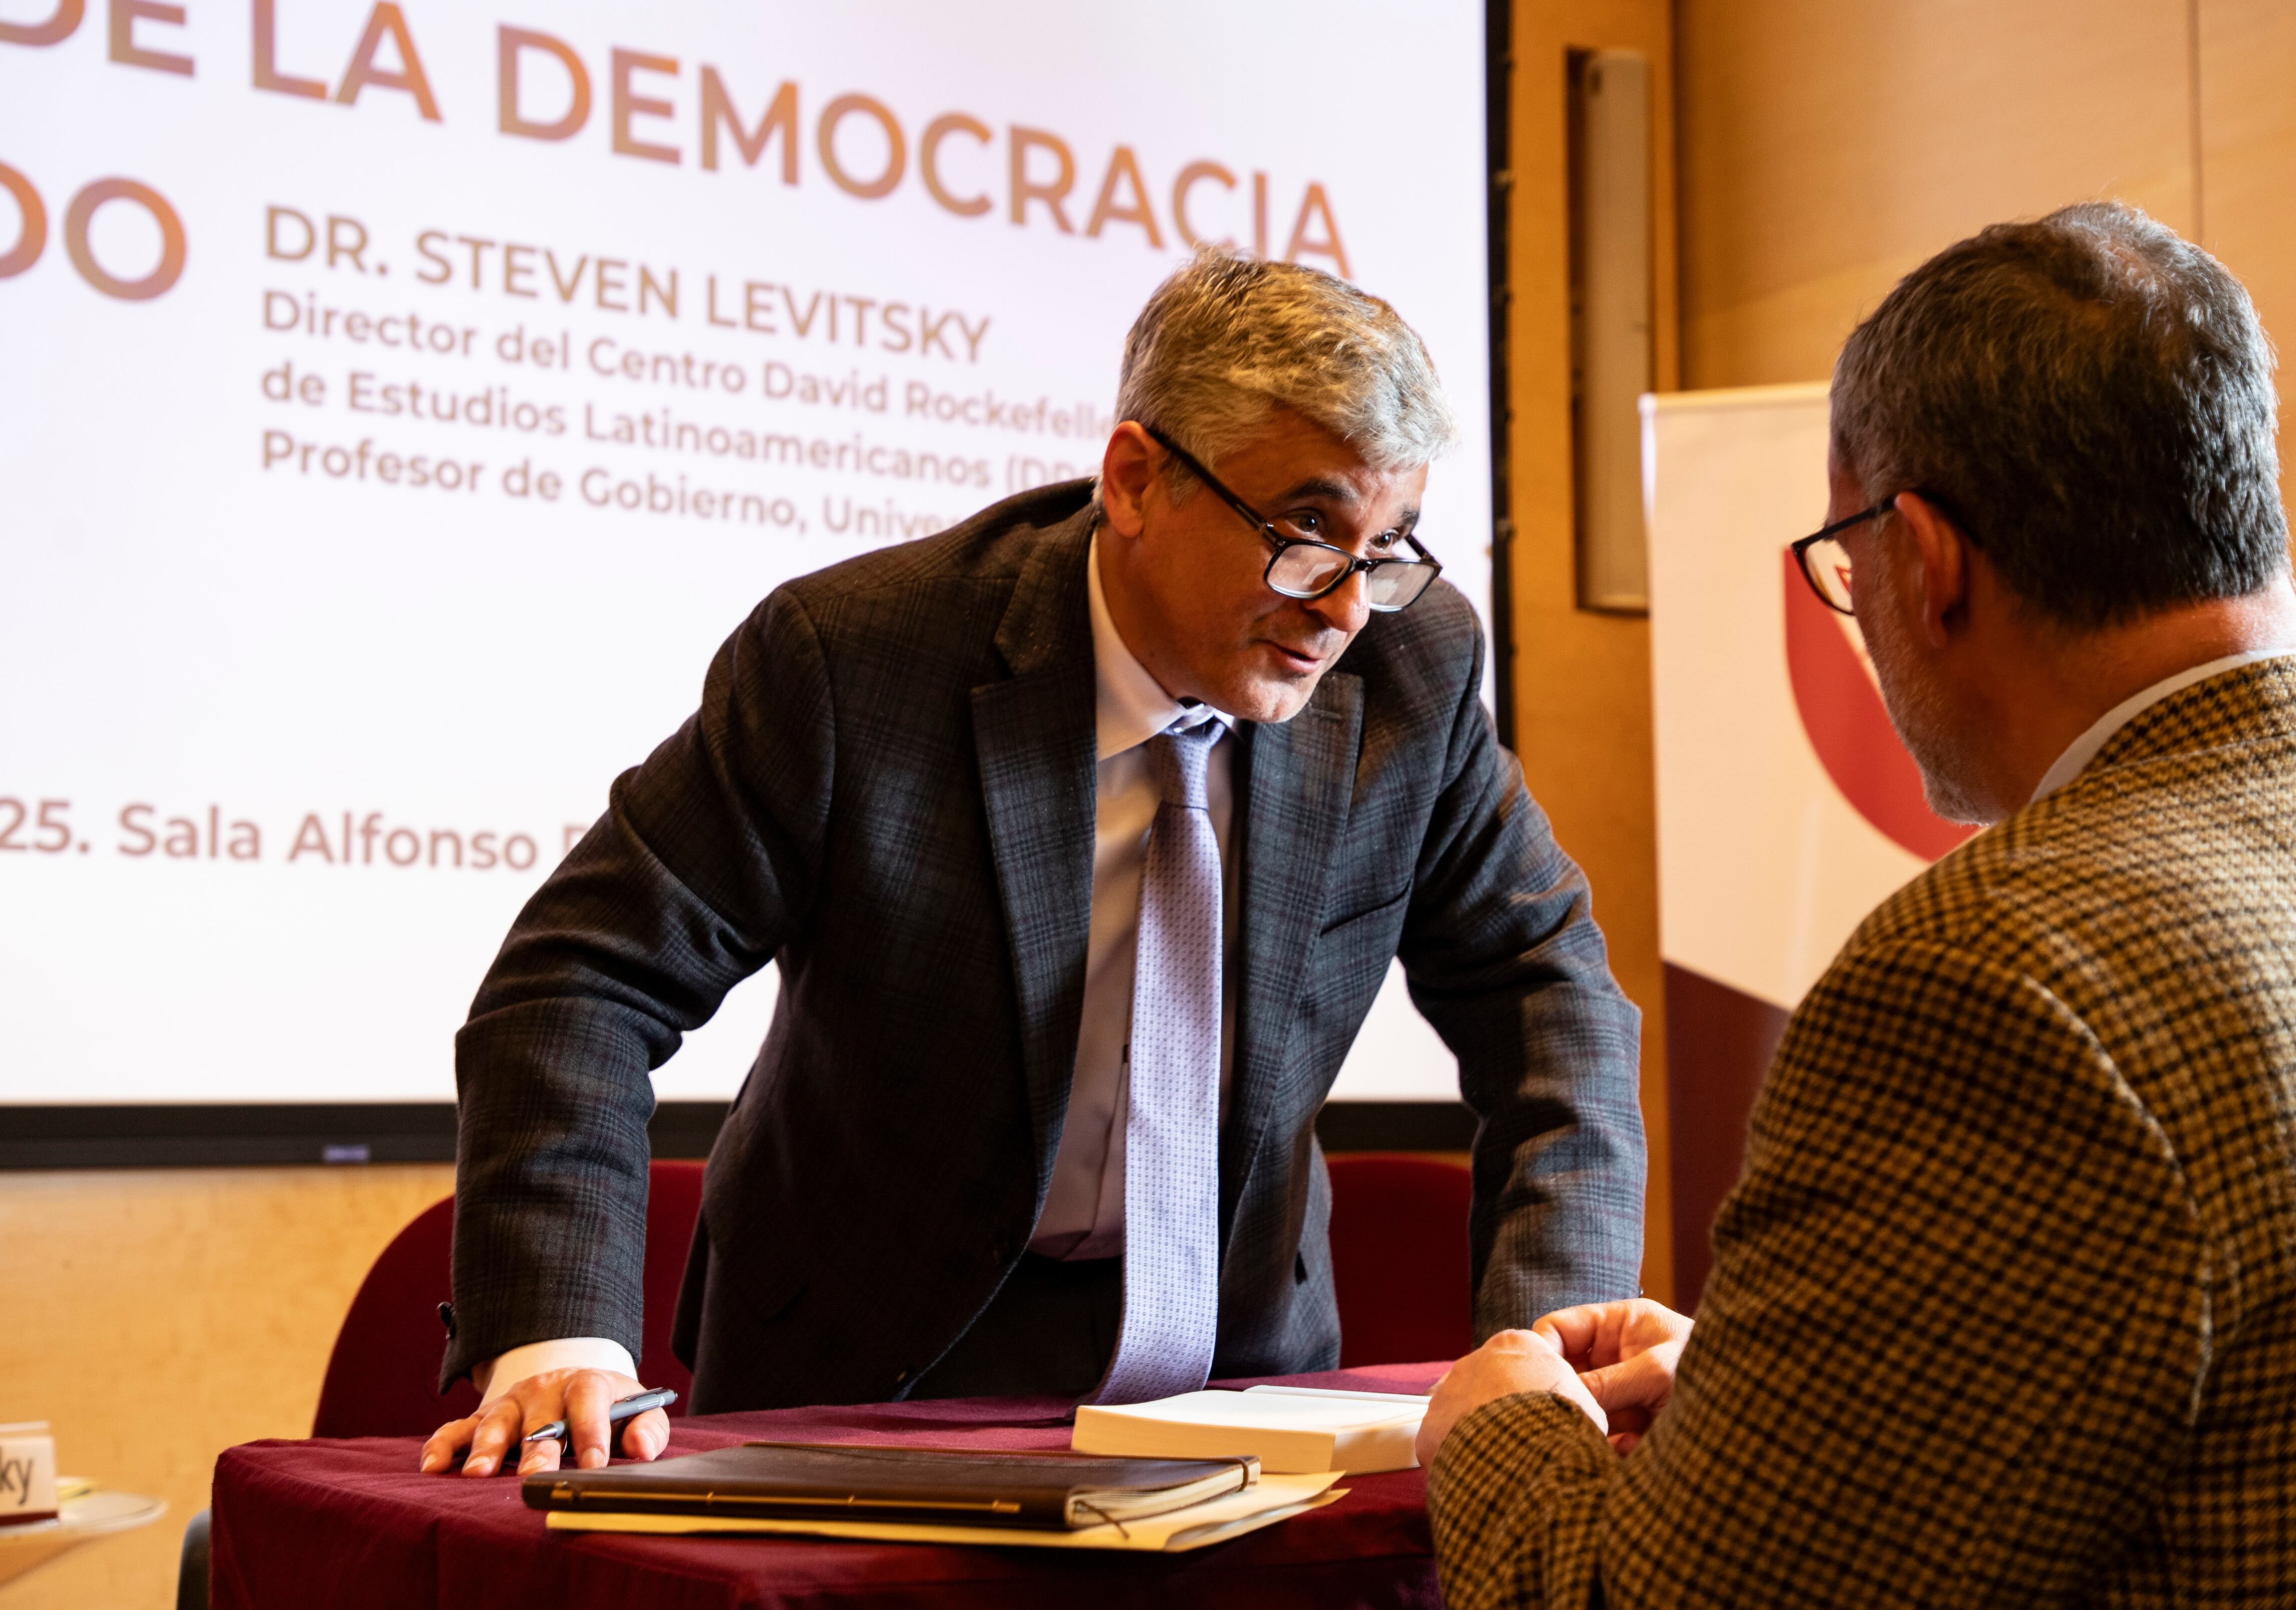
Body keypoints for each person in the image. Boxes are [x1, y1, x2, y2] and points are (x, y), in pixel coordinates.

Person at [1419, 201, 2296, 1610]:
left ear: (1922, 558)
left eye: (1844, 570)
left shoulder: (1992, 981)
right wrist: (1769, 1403)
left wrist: (1501, 1436)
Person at [417, 249, 1647, 1479]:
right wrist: (556, 1340)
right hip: (869, 1362)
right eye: (1308, 531)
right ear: (1133, 480)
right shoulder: (856, 662)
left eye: (1387, 546)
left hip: (1251, 1371)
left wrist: (1558, 1333)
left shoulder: (1406, 668)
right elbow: (582, 979)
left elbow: (1548, 991)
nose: (1341, 611)